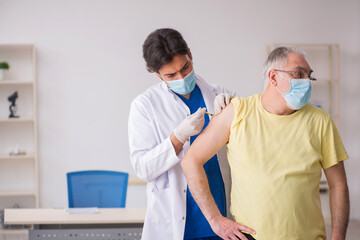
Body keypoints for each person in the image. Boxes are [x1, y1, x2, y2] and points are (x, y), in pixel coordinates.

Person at [181, 46, 350, 240]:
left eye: (308, 76)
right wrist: (215, 220)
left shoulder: (320, 120)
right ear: (273, 77)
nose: (306, 82)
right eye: (298, 74)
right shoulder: (237, 112)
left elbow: (338, 184)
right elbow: (191, 160)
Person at [128, 28, 247, 240]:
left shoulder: (219, 95)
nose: (181, 77)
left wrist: (234, 111)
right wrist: (177, 137)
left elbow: (247, 148)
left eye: (185, 68)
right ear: (157, 74)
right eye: (171, 75)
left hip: (222, 219)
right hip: (176, 224)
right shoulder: (144, 106)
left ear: (190, 55)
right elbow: (143, 169)